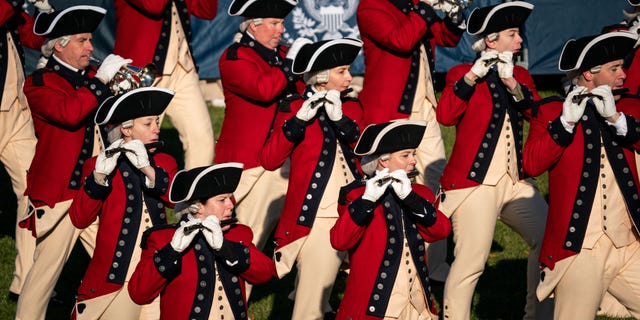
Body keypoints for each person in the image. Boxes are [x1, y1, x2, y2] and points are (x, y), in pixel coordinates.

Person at [15, 5, 133, 320]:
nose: (92, 48)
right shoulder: (39, 82)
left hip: (96, 192)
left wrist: (127, 90)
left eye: (91, 40)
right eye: (83, 40)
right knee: (43, 280)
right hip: (61, 197)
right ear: (60, 44)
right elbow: (69, 114)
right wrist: (102, 83)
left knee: (125, 265)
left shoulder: (93, 77)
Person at [435, 2, 551, 319]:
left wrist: (514, 85)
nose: (519, 41)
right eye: (513, 34)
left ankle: (538, 314)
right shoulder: (461, 74)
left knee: (549, 240)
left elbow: (538, 115)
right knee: (472, 260)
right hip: (475, 184)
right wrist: (473, 76)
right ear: (491, 40)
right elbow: (445, 116)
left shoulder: (522, 74)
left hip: (516, 182)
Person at [523, 30, 640, 319]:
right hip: (580, 248)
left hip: (629, 244)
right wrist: (564, 124)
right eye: (615, 69)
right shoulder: (551, 112)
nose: (624, 74)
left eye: (622, 67)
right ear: (588, 74)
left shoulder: (628, 107)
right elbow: (531, 164)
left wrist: (616, 119)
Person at [356, 0, 466, 283]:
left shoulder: (415, 6)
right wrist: (427, 9)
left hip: (424, 107)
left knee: (435, 180)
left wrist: (453, 15)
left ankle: (434, 263)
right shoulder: (371, 7)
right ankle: (378, 259)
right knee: (388, 188)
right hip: (391, 111)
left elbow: (446, 38)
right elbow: (401, 40)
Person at [260, 37, 363, 319]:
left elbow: (367, 156)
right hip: (318, 216)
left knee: (328, 298)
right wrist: (298, 122)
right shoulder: (293, 108)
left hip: (353, 211)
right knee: (311, 305)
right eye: (341, 71)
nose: (349, 77)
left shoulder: (352, 108)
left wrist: (341, 120)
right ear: (320, 76)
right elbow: (269, 160)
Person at [68, 87, 178, 319]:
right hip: (118, 273)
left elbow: (173, 199)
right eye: (148, 124)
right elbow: (79, 218)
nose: (157, 129)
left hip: (157, 269)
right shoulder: (98, 164)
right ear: (126, 129)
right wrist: (98, 178)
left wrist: (147, 169)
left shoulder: (163, 161)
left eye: (157, 122)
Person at [330, 119, 452, 319]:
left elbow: (441, 231)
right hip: (376, 304)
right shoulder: (357, 194)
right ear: (383, 161)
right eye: (406, 155)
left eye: (413, 153)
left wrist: (411, 199)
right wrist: (367, 201)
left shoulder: (420, 193)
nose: (413, 160)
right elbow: (339, 240)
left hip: (418, 303)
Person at [127, 162, 276, 319]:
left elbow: (265, 273)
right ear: (198, 207)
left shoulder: (237, 234)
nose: (231, 205)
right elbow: (139, 294)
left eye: (230, 198)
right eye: (222, 199)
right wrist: (171, 252)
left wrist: (226, 249)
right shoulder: (162, 239)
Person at [216, 0, 300, 266]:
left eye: (282, 23)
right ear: (253, 25)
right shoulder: (235, 56)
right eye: (275, 24)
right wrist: (290, 65)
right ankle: (233, 299)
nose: (281, 30)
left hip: (285, 157)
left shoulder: (282, 54)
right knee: (249, 237)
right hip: (252, 163)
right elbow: (264, 89)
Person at [113, 0, 216, 169]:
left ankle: (194, 194)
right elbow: (154, 5)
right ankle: (136, 192)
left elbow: (207, 10)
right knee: (137, 143)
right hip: (142, 70)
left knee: (201, 138)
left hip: (183, 67)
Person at [0, 0, 48, 300]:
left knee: (33, 189)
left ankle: (26, 282)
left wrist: (44, 13)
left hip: (15, 110)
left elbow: (35, 39)